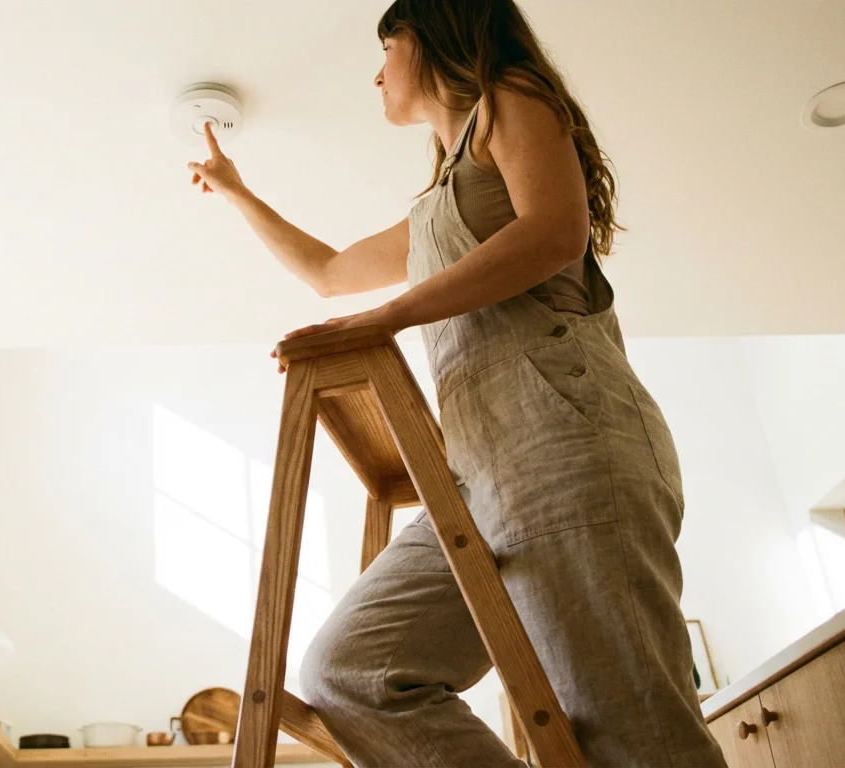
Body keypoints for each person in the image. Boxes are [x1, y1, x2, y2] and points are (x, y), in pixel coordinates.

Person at [186, 0, 727, 765]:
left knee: (627, 732)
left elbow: (554, 231)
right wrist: (238, 192)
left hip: (567, 444)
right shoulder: (438, 209)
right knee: (352, 673)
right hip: (480, 480)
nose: (376, 73)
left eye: (386, 45)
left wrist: (394, 316)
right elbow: (330, 273)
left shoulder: (511, 97)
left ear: (433, 33)